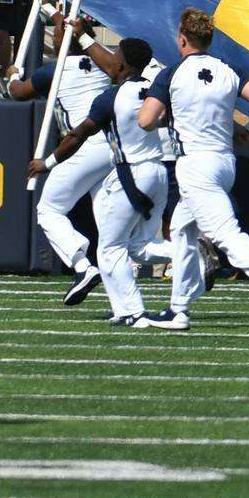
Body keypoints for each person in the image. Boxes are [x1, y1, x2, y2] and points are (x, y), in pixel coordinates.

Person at [135, 8, 249, 336]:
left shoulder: (172, 73)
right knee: (180, 230)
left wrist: (169, 115)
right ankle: (178, 308)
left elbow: (145, 120)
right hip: (224, 162)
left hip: (195, 165)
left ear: (182, 39)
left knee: (223, 233)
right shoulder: (227, 68)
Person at [28, 37, 168, 326]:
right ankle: (126, 307)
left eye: (115, 57)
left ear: (122, 65)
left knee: (102, 241)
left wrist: (47, 163)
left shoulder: (110, 96)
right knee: (134, 245)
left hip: (130, 170)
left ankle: (88, 271)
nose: (110, 62)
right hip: (155, 169)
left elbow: (78, 134)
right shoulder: (154, 91)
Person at [13, 19, 118, 307]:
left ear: (67, 38)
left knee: (48, 210)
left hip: (86, 147)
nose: (53, 36)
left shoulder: (53, 71)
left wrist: (12, 76)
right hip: (111, 150)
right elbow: (111, 65)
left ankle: (82, 266)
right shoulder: (101, 64)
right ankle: (166, 260)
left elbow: (18, 93)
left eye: (58, 32)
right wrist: (48, 6)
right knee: (108, 225)